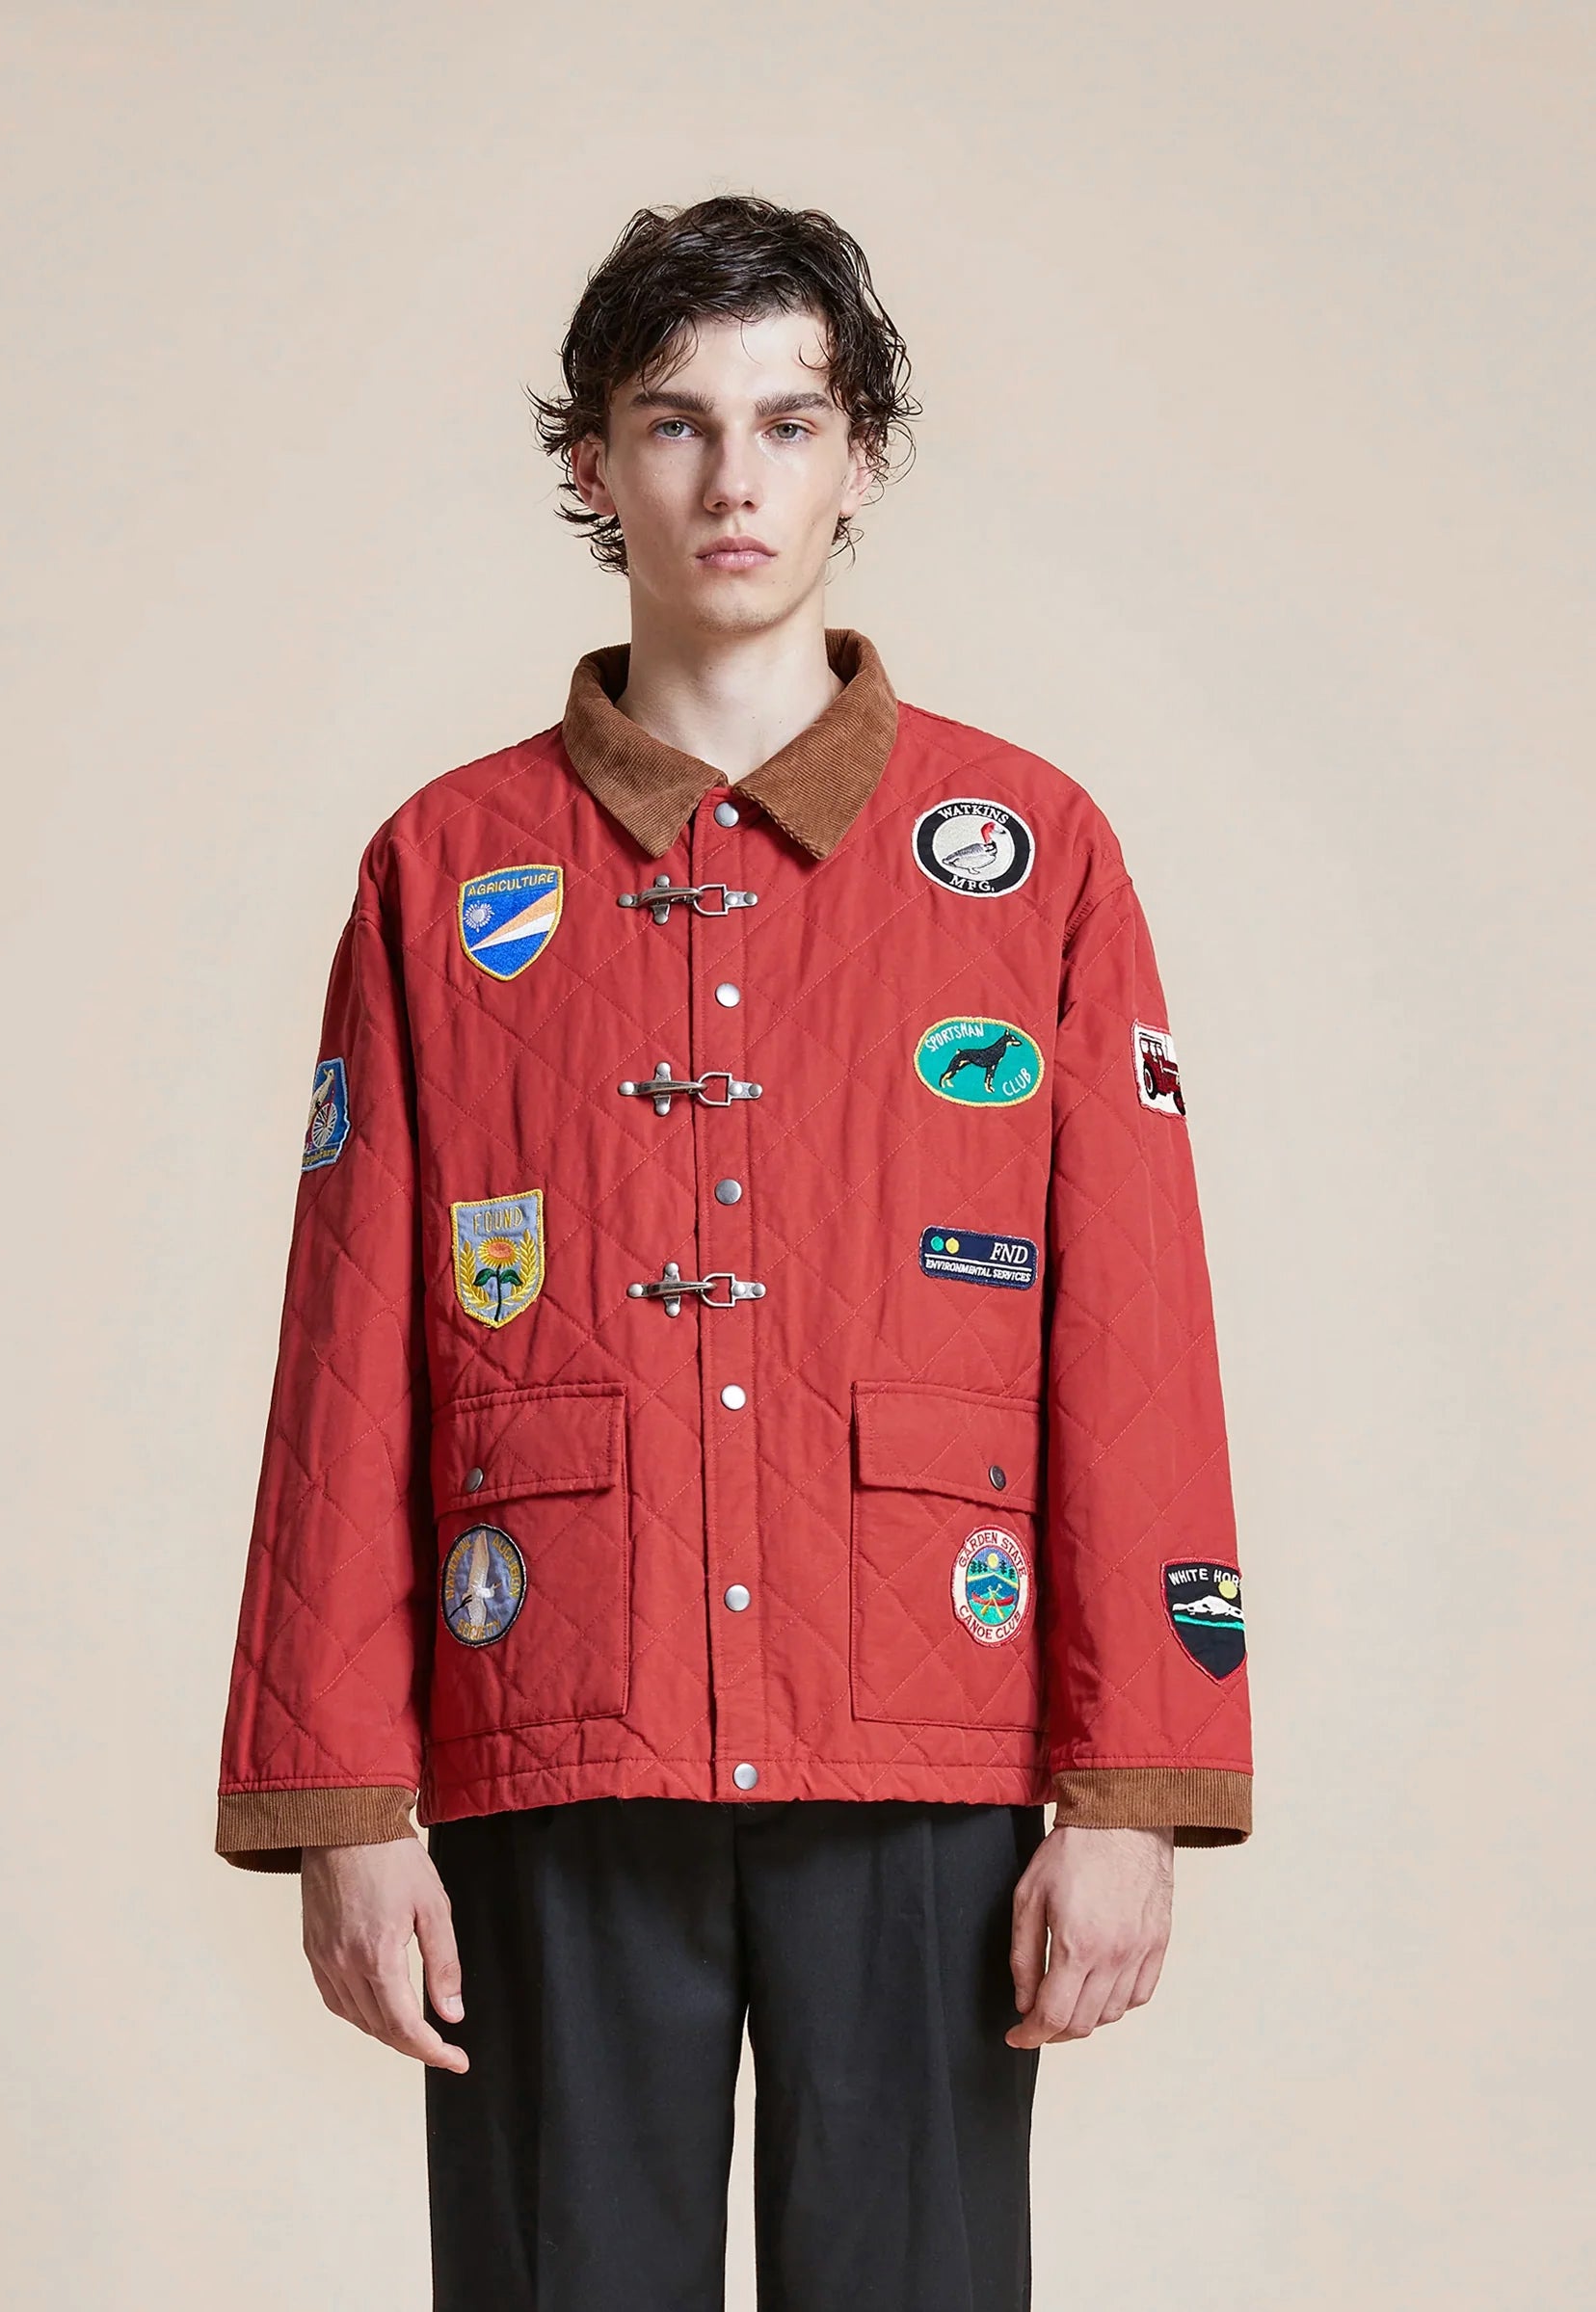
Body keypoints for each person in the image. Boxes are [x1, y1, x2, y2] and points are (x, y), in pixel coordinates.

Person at [214, 193, 1253, 2312]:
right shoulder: (445, 865)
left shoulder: (1031, 854)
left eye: (789, 420)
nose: (735, 478)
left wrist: (1132, 1784)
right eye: (674, 424)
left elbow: (1134, 1337)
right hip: (551, 1713)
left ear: (863, 453)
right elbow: (348, 1363)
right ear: (592, 466)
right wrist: (344, 1803)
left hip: (929, 1735)